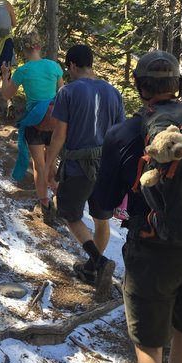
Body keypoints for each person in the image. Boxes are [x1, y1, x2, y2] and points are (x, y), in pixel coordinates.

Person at [95, 50, 182, 363]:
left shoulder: (124, 134)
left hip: (150, 252)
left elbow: (102, 201)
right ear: (177, 85)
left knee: (149, 349)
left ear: (138, 86)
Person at [44, 44, 125, 300]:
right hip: (107, 166)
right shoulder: (113, 92)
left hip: (78, 166)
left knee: (70, 215)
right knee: (102, 220)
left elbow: (59, 135)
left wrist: (48, 167)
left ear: (72, 65)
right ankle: (91, 269)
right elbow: (121, 134)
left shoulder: (68, 92)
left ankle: (98, 262)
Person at [0, 35, 64, 223]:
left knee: (39, 164)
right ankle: (58, 198)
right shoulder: (54, 66)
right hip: (55, 119)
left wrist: (5, 75)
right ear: (39, 47)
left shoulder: (23, 71)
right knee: (52, 162)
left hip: (35, 120)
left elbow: (6, 94)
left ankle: (44, 203)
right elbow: (62, 93)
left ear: (24, 50)